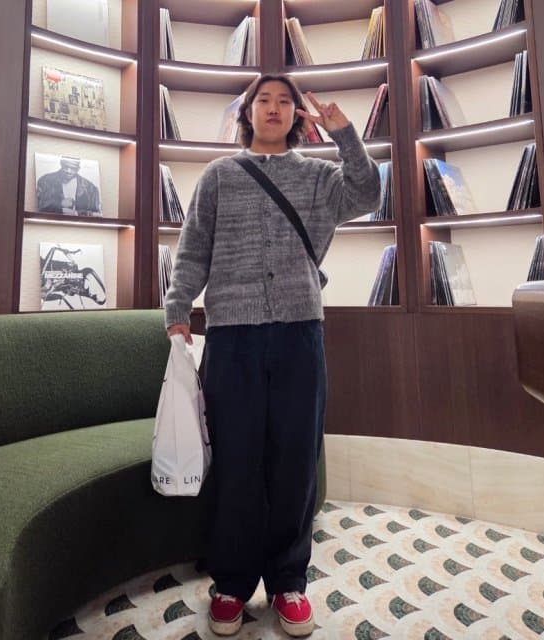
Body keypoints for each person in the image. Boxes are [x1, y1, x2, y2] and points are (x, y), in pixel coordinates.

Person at [164, 73, 380, 637]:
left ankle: (288, 581)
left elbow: (367, 194)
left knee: (295, 460)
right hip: (231, 335)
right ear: (248, 113)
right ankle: (231, 585)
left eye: (286, 101)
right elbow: (193, 248)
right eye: (264, 99)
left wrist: (345, 134)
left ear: (297, 117)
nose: (275, 108)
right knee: (236, 460)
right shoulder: (218, 175)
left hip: (299, 332)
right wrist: (177, 308)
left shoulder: (318, 177)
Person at [36, 156, 101, 216]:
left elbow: (97, 214)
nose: (68, 171)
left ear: (78, 169)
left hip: (79, 224)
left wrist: (76, 213)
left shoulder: (90, 188)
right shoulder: (45, 180)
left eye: (73, 168)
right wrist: (60, 203)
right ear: (61, 164)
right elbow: (40, 206)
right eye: (66, 167)